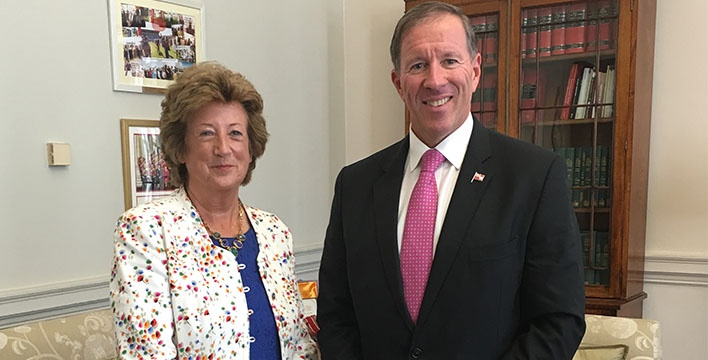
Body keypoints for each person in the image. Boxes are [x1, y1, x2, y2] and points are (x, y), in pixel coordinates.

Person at [317, 2, 586, 359]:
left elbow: (559, 321)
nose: (435, 80)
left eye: (449, 60)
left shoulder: (534, 175)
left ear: (474, 71)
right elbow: (336, 314)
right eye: (417, 65)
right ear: (398, 83)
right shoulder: (355, 185)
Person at [110, 61, 318, 360]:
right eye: (207, 134)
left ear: (251, 147)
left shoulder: (274, 232)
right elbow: (146, 353)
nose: (223, 148)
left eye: (235, 133)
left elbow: (298, 345)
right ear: (180, 149)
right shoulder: (146, 229)